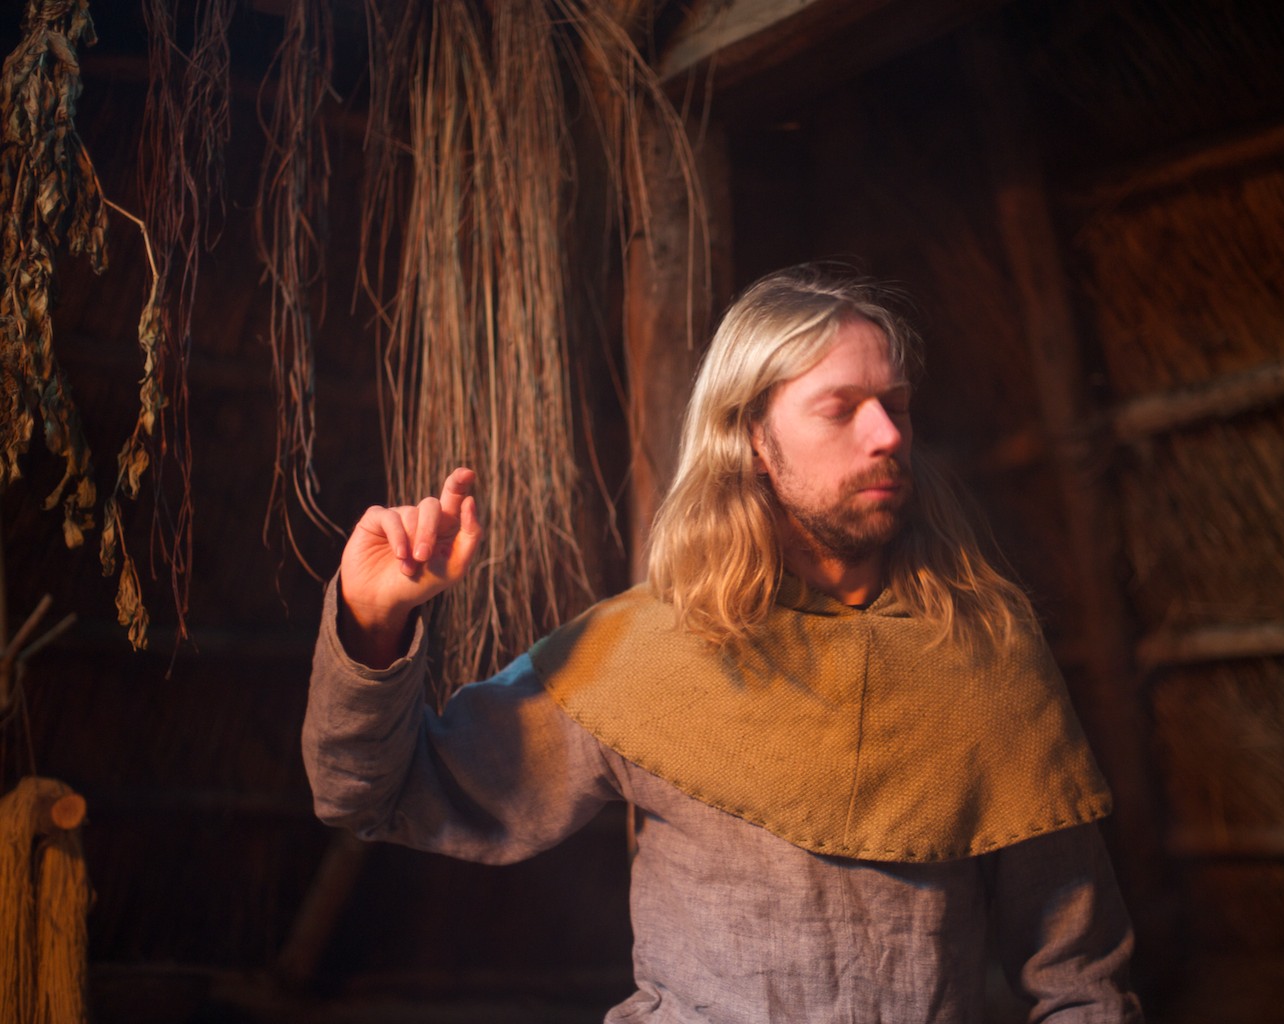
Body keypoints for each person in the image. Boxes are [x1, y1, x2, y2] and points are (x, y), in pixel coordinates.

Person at [304, 263, 1143, 1023]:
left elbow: (1079, 983)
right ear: (752, 439)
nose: (887, 435)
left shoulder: (986, 655)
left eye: (895, 405)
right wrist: (374, 625)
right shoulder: (644, 653)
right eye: (840, 408)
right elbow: (374, 793)